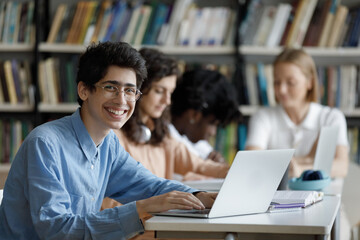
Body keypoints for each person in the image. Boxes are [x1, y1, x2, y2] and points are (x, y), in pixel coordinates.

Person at [0, 42, 217, 239]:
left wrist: (199, 196)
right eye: (111, 87)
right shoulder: (45, 144)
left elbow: (147, 185)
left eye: (130, 90)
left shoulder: (108, 144)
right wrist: (142, 208)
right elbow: (57, 230)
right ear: (84, 90)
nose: (122, 100)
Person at [109, 48, 229, 183]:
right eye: (159, 91)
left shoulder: (162, 135)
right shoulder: (113, 135)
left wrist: (232, 171)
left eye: (170, 92)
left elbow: (199, 165)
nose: (167, 101)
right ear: (139, 88)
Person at [245, 48, 349, 178]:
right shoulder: (262, 117)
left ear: (309, 82)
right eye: (277, 82)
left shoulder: (331, 117)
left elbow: (341, 167)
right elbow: (250, 163)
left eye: (291, 83)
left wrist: (301, 169)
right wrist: (307, 158)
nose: (282, 90)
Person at [170, 69, 242, 163]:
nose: (213, 133)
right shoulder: (166, 140)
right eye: (213, 123)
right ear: (194, 115)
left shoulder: (195, 141)